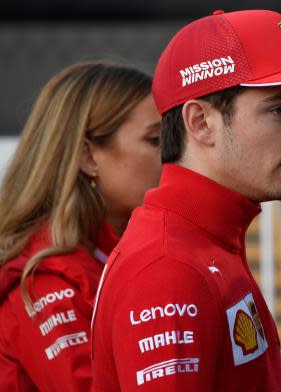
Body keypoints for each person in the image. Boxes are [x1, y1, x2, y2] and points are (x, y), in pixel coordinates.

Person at [91, 9, 281, 391]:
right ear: (202, 123)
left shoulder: (209, 240)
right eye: (279, 110)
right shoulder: (169, 268)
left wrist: (275, 377)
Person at [0, 62, 162, 391]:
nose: (173, 155)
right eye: (156, 139)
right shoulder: (42, 280)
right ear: (88, 156)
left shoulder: (115, 253)